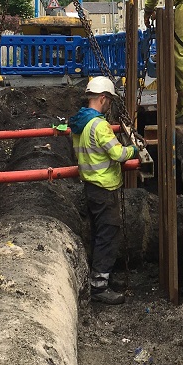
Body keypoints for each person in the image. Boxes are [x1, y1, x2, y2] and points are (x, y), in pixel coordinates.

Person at [70, 76, 137, 305]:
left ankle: (102, 278)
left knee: (100, 234)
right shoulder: (99, 125)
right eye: (109, 101)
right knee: (107, 236)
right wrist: (134, 150)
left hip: (91, 187)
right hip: (104, 187)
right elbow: (118, 154)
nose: (110, 106)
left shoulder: (79, 123)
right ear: (103, 98)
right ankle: (99, 287)